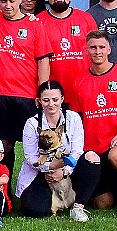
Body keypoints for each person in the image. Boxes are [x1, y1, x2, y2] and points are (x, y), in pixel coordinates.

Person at [0, 0, 52, 175]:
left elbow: (43, 61)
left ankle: (36, 187)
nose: (8, 6)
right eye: (3, 1)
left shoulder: (35, 25)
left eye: (11, 1)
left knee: (34, 143)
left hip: (25, 94)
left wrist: (42, 92)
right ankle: (3, 186)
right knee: (3, 144)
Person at [73, 30, 117, 213]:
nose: (98, 51)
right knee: (102, 204)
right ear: (86, 51)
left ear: (109, 49)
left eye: (101, 47)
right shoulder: (79, 81)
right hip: (93, 148)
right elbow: (76, 117)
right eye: (93, 48)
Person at [17, 80, 97, 222]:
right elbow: (30, 158)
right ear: (39, 101)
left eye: (55, 99)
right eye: (46, 100)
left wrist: (64, 171)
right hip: (40, 172)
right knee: (34, 210)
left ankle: (78, 206)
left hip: (68, 169)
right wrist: (49, 168)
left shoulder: (73, 118)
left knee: (92, 157)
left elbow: (77, 151)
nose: (51, 104)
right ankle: (54, 200)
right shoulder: (32, 123)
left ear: (62, 99)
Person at [38, 0, 97, 107]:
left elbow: (97, 54)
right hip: (53, 96)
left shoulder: (86, 19)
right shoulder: (38, 22)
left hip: (84, 90)